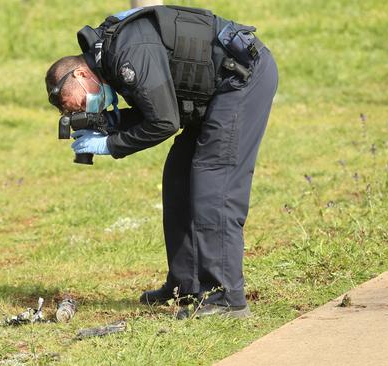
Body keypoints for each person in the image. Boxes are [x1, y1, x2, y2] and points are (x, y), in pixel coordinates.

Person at [45, 5, 278, 318]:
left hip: (241, 79)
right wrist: (111, 124)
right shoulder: (112, 58)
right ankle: (186, 285)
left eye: (83, 102)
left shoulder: (127, 55)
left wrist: (111, 144)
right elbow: (154, 108)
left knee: (213, 183)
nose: (88, 108)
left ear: (82, 74)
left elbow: (164, 122)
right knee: (179, 178)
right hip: (212, 92)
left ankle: (227, 298)